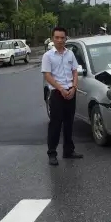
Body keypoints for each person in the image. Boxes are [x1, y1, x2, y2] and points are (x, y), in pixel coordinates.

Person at [41, 26, 83, 166]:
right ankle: (52, 153)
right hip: (57, 93)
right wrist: (61, 89)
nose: (60, 40)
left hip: (71, 91)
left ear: (66, 38)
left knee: (69, 123)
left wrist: (74, 88)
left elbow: (75, 72)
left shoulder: (70, 54)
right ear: (53, 38)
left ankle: (68, 151)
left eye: (62, 38)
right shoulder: (48, 56)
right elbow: (47, 75)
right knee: (55, 124)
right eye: (57, 37)